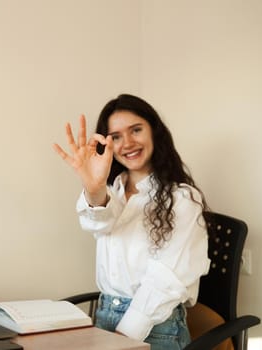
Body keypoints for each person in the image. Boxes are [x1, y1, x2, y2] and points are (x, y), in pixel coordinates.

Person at [52, 94, 211, 349]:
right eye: (115, 136)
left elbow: (166, 280)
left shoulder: (182, 198)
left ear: (154, 132)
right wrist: (93, 187)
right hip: (104, 316)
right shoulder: (113, 191)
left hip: (155, 327)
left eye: (136, 130)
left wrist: (124, 337)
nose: (127, 143)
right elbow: (97, 222)